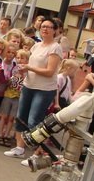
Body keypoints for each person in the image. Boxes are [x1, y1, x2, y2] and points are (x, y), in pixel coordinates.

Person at [5, 19, 63, 159]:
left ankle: (38, 153)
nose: (45, 29)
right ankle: (19, 147)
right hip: (28, 85)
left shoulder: (55, 48)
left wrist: (29, 67)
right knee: (21, 118)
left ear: (55, 30)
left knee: (34, 121)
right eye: (43, 26)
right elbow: (30, 65)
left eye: (49, 27)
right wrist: (24, 70)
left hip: (44, 89)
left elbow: (49, 71)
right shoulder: (36, 46)